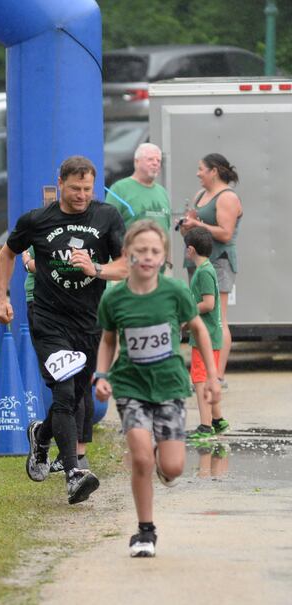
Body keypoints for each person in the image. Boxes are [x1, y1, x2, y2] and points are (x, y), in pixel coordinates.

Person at [0, 155, 127, 505]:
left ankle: (41, 434)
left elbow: (125, 265)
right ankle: (73, 473)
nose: (82, 195)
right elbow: (7, 253)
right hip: (49, 321)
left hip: (90, 322)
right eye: (75, 188)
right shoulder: (38, 220)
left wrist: (96, 269)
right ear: (61, 183)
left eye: (87, 189)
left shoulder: (106, 217)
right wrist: (1, 297)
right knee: (66, 393)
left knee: (75, 393)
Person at [95, 220, 220, 557]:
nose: (148, 257)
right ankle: (145, 532)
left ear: (163, 255)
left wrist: (211, 377)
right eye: (141, 251)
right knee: (139, 456)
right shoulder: (115, 299)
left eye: (154, 251)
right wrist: (100, 375)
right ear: (127, 254)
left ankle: (158, 466)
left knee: (174, 466)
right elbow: (108, 341)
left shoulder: (175, 292)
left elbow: (199, 329)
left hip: (168, 386)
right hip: (130, 385)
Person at [178, 153, 242, 387]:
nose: (198, 173)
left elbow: (225, 233)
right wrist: (187, 227)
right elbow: (195, 228)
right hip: (197, 260)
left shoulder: (227, 197)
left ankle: (219, 375)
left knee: (218, 317)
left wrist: (198, 224)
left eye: (201, 169)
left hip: (219, 262)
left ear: (213, 171)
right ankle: (204, 372)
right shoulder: (200, 195)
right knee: (201, 317)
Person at [183, 227, 228, 440]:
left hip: (207, 335)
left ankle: (205, 425)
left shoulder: (204, 272)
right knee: (206, 377)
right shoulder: (206, 270)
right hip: (205, 334)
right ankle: (217, 419)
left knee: (200, 379)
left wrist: (188, 311)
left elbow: (208, 304)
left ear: (190, 250)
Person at [104, 143, 171, 233]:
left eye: (158, 160)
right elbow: (108, 225)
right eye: (150, 159)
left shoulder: (162, 192)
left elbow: (167, 226)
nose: (155, 163)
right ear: (136, 161)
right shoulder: (119, 189)